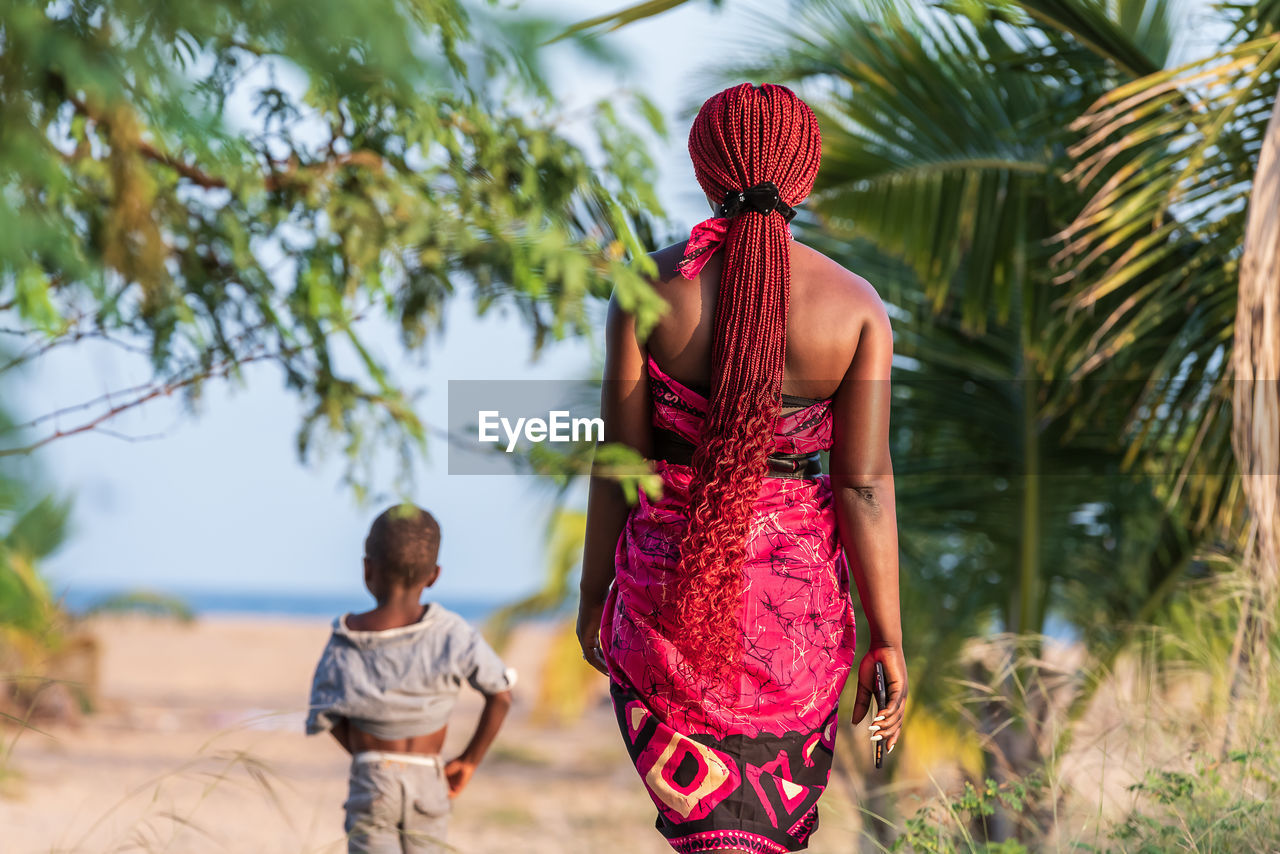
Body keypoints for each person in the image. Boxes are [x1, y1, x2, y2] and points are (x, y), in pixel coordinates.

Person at [576, 82, 907, 854]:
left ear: (702, 169)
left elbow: (620, 464)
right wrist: (886, 636)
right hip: (797, 622)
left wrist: (595, 596)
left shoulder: (646, 293)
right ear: (807, 172)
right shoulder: (857, 309)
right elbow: (863, 484)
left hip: (668, 610)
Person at [306, 504, 516, 854]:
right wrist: (467, 761)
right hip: (428, 779)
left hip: (371, 780)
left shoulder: (346, 636)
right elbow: (501, 696)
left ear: (366, 569)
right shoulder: (452, 632)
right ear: (434, 575)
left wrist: (365, 753)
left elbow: (324, 712)